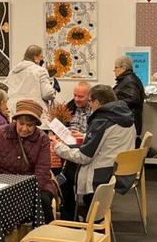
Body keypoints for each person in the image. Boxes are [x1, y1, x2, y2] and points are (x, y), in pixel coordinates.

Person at [0, 100, 62, 242]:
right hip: (3, 183)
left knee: (45, 202)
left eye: (30, 125)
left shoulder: (42, 139)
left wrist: (26, 191)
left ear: (36, 125)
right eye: (21, 124)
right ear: (15, 121)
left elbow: (42, 171)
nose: (25, 128)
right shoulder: (0, 133)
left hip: (33, 184)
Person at [54, 85, 134, 214]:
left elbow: (84, 157)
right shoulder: (125, 115)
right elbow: (109, 138)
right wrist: (85, 136)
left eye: (90, 101)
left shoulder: (102, 120)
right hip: (120, 169)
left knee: (65, 175)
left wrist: (58, 147)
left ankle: (69, 217)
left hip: (103, 173)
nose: (90, 105)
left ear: (97, 102)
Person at [4, 45, 57, 113]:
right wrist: (53, 91)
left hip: (13, 110)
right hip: (33, 110)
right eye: (41, 57)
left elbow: (5, 90)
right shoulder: (40, 71)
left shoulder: (13, 71)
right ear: (35, 57)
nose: (42, 60)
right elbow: (47, 94)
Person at [113, 55, 146, 143]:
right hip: (129, 124)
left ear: (123, 68)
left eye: (116, 68)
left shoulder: (129, 81)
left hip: (128, 125)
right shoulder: (128, 80)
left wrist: (113, 104)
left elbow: (133, 99)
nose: (114, 70)